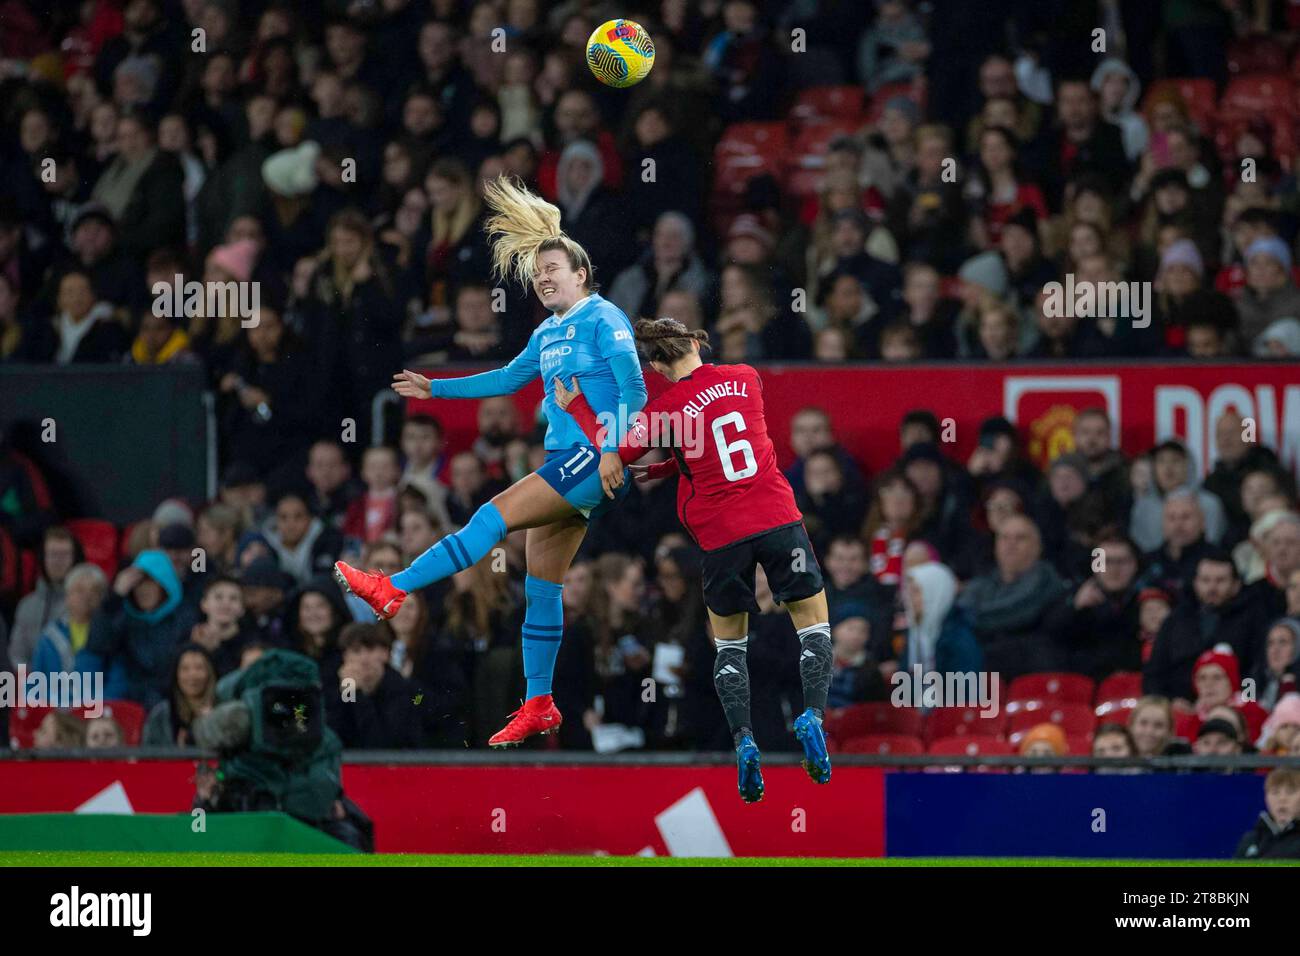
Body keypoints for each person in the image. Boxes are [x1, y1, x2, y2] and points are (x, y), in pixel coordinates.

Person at [335, 176, 647, 749]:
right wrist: (438, 390)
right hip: (570, 458)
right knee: (543, 589)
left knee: (489, 516)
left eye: (554, 268)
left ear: (582, 275)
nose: (543, 277)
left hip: (591, 455)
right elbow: (507, 377)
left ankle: (393, 587)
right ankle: (539, 701)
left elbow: (634, 386)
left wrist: (611, 451)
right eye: (538, 271)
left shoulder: (606, 319)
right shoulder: (548, 329)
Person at [554, 316, 834, 804]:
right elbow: (727, 439)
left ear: (657, 366)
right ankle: (813, 714)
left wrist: (576, 405)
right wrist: (668, 464)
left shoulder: (664, 411)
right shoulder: (746, 377)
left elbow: (612, 452)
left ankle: (744, 739)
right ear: (695, 345)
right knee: (813, 628)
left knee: (730, 648)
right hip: (777, 519)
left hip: (723, 538)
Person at [1234, 767, 1300, 859]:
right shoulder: (1252, 839)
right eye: (1275, 792)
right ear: (1266, 798)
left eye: (1290, 792)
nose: (1282, 799)